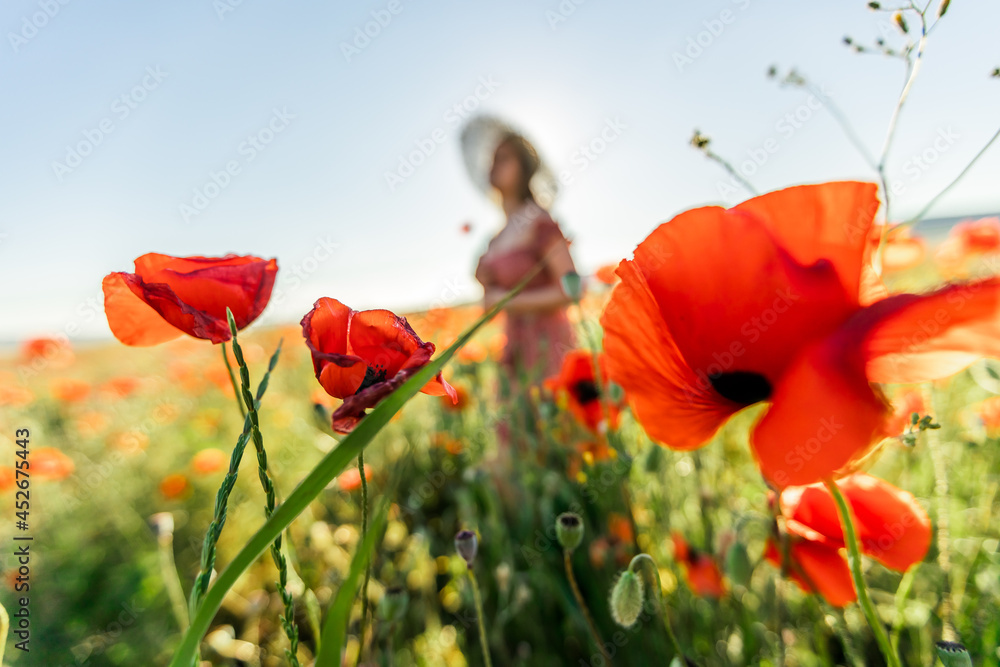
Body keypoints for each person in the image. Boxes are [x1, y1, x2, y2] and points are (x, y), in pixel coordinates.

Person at [469, 124, 579, 398]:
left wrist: (508, 300)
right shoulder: (496, 240)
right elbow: (489, 305)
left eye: (504, 158)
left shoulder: (540, 222)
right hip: (513, 348)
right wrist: (485, 283)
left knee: (552, 425)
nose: (494, 165)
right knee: (518, 430)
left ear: (525, 168)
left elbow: (573, 288)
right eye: (492, 159)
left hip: (549, 345)